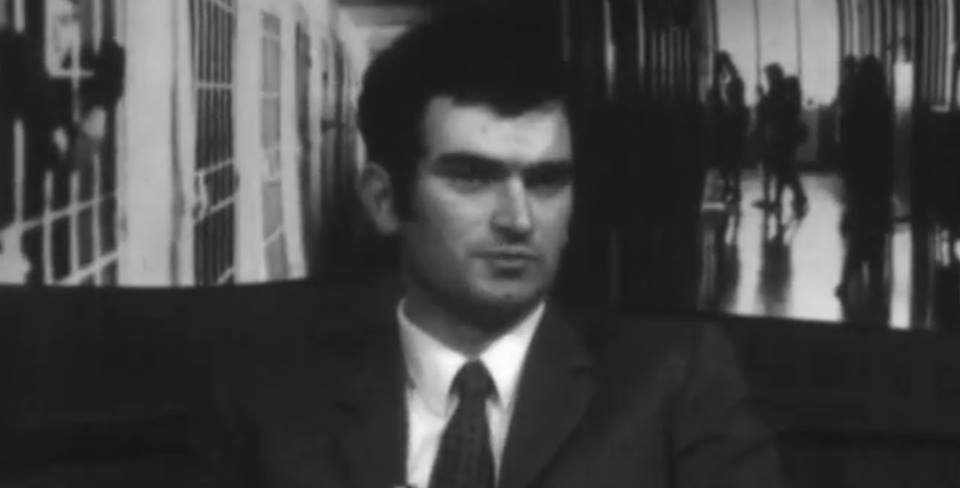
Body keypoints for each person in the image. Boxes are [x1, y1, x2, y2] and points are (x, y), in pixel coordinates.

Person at [205, 10, 785, 488]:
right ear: (383, 200)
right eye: (472, 178)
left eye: (546, 181)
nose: (518, 219)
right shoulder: (277, 397)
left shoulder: (676, 383)